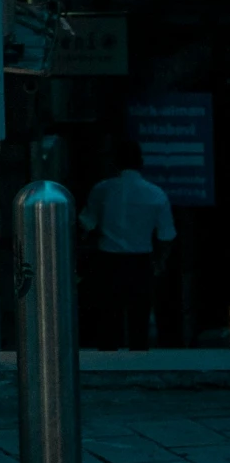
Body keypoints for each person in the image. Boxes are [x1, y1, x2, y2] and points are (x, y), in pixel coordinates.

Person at [80, 138, 175, 351]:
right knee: (139, 321)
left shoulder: (101, 190)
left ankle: (108, 367)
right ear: (140, 162)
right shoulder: (156, 194)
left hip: (108, 261)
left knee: (108, 320)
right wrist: (159, 263)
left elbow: (87, 224)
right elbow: (166, 236)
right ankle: (138, 364)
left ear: (114, 162)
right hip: (140, 261)